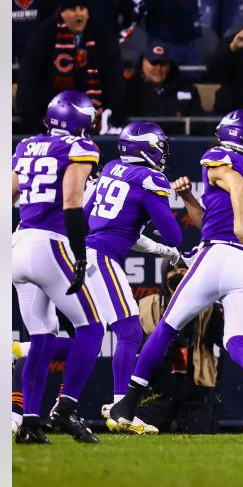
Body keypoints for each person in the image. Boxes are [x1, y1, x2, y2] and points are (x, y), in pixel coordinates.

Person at [109, 111, 243, 435]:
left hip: (218, 253)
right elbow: (214, 216)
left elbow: (237, 187)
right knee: (237, 341)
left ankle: (128, 402)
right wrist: (190, 198)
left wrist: (237, 226)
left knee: (166, 327)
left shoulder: (218, 157)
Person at [83, 122, 190, 430]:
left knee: (85, 334)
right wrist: (167, 238)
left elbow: (94, 219)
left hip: (83, 255)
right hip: (101, 258)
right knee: (130, 331)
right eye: (158, 145)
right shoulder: (150, 179)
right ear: (145, 148)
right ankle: (121, 409)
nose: (162, 152)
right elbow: (174, 235)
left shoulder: (113, 168)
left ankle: (20, 350)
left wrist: (160, 249)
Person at [11, 90, 103, 444]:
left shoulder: (27, 146)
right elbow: (71, 200)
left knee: (42, 337)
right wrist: (79, 253)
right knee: (92, 327)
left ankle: (30, 423)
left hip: (18, 243)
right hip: (51, 245)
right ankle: (66, 407)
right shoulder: (79, 148)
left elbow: (11, 192)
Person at [16, 0, 127, 133]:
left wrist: (116, 114)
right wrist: (30, 115)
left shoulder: (102, 35)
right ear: (62, 13)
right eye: (73, 9)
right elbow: (28, 74)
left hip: (95, 117)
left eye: (82, 8)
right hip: (52, 117)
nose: (79, 13)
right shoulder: (44, 34)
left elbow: (114, 77)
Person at [124, 44, 203, 123]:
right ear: (142, 64)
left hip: (176, 135)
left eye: (163, 63)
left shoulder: (188, 90)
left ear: (169, 66)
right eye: (154, 63)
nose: (158, 68)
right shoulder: (128, 90)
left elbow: (196, 127)